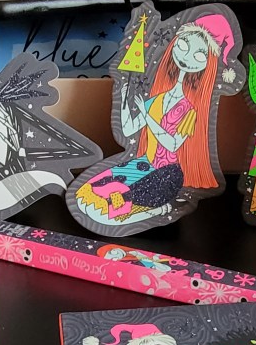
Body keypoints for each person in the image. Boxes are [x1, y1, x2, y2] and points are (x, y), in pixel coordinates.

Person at [73, 14, 236, 228]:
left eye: (199, 55)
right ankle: (155, 209)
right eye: (183, 45)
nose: (187, 56)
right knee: (88, 199)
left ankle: (159, 210)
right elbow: (129, 129)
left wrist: (148, 116)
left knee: (112, 206)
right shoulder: (157, 99)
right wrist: (124, 95)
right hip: (143, 164)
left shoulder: (190, 109)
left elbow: (173, 144)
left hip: (167, 174)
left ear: (208, 63)